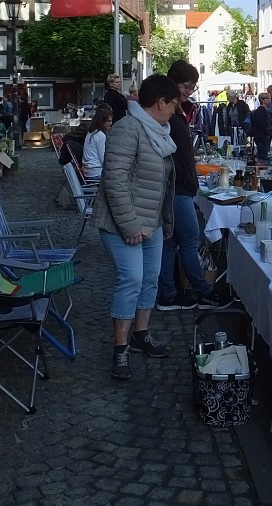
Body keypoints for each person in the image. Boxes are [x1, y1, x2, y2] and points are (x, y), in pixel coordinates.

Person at [92, 74, 179, 381]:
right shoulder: (128, 129)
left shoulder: (160, 132)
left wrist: (165, 220)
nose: (174, 110)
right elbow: (114, 182)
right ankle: (121, 347)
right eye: (173, 104)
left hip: (151, 221)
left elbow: (163, 183)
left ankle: (141, 334)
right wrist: (130, 225)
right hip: (120, 222)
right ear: (161, 102)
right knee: (131, 279)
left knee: (150, 279)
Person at [157, 60, 222, 311]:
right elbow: (171, 154)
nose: (189, 91)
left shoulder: (180, 112)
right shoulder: (169, 115)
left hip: (179, 184)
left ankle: (169, 293)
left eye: (193, 87)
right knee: (189, 239)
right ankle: (201, 290)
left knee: (171, 242)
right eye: (186, 86)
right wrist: (186, 176)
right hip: (177, 187)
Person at [80, 105, 113, 180]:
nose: (111, 123)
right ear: (102, 122)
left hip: (89, 170)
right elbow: (103, 160)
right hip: (96, 172)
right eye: (108, 121)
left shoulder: (91, 132)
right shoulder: (100, 136)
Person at [251, 92, 272, 160]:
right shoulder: (261, 110)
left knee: (263, 155)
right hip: (261, 137)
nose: (270, 100)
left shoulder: (263, 110)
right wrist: (267, 133)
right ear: (262, 100)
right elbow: (262, 123)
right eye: (268, 98)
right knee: (263, 156)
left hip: (261, 136)